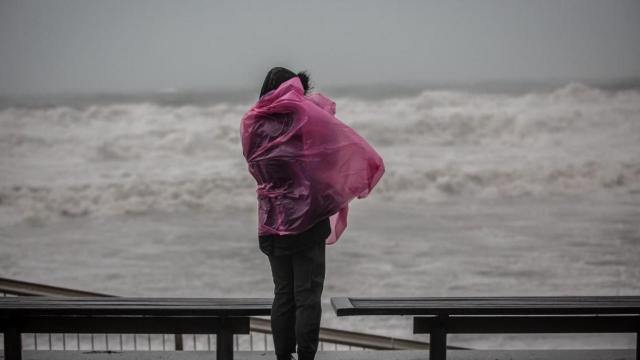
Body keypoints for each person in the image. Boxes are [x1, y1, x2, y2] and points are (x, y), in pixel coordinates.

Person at [254, 67, 330, 360]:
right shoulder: (305, 120)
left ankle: (282, 357)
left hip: (272, 221)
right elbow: (324, 161)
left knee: (283, 294)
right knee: (307, 295)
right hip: (307, 221)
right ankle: (306, 358)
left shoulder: (253, 125)